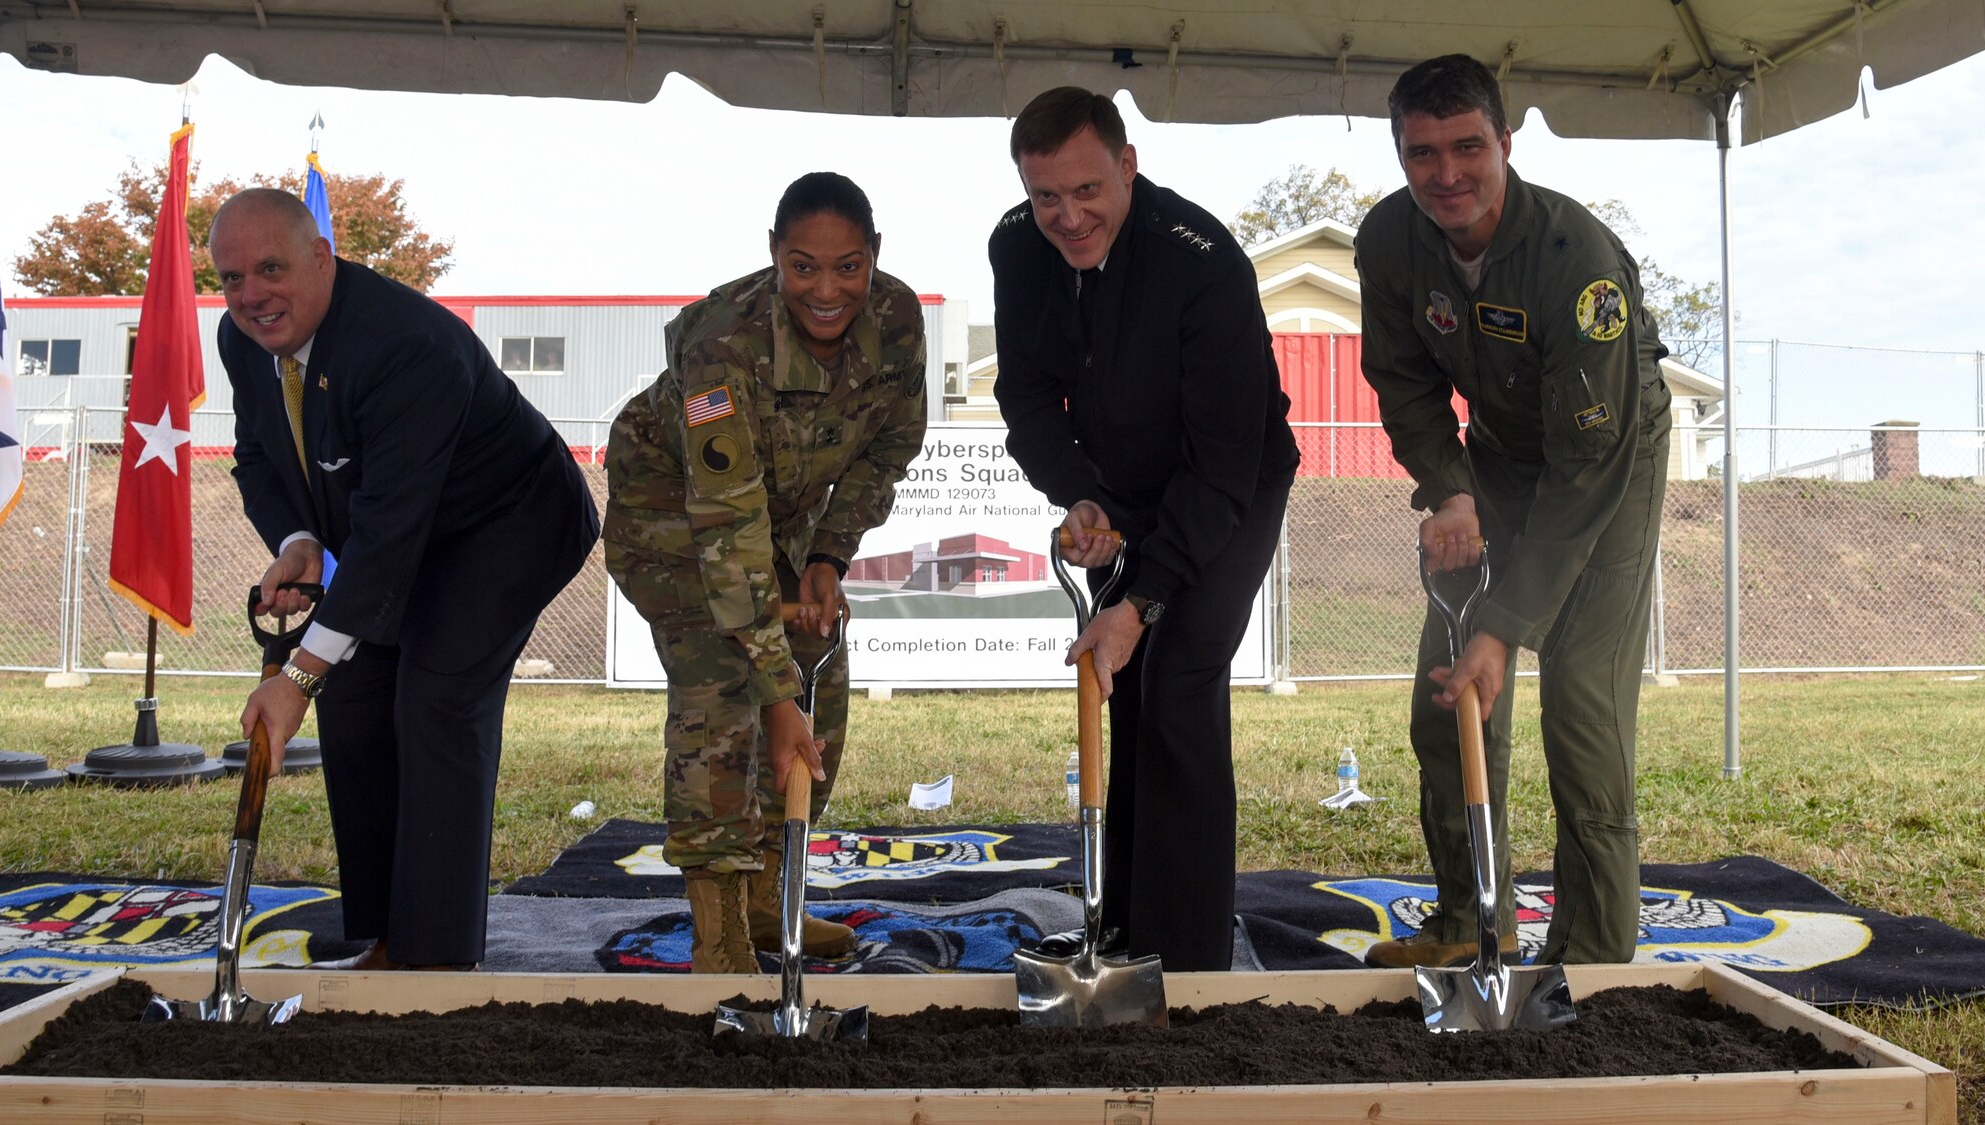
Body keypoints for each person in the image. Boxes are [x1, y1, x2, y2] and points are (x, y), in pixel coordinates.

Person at [212, 188, 599, 972]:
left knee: (436, 697)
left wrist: (296, 674)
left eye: (271, 268)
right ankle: (388, 938)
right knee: (354, 694)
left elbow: (388, 540)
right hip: (407, 526)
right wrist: (298, 540)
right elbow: (258, 458)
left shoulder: (403, 344)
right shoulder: (241, 339)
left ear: (322, 257)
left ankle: (436, 968)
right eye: (230, 277)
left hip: (508, 520)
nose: (250, 295)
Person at [1355, 54, 1672, 967]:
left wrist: (1506, 622)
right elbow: (1405, 384)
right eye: (1422, 154)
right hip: (1492, 451)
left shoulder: (1579, 263)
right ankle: (1469, 921)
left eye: (1467, 148)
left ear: (1506, 140)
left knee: (1579, 707)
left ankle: (1594, 956)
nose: (1446, 175)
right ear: (1400, 152)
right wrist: (1448, 489)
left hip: (1606, 462)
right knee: (1449, 688)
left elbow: (1583, 473)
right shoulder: (1388, 242)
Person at [990, 88, 1300, 972]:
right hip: (1122, 484)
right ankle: (1123, 923)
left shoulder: (1200, 262)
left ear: (1128, 166)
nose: (1067, 216)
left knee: (1179, 668)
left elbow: (1222, 465)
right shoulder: (1018, 247)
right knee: (1120, 680)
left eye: (1087, 190)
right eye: (1047, 196)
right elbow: (1026, 396)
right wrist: (1083, 498)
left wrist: (1143, 597)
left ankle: (1188, 955)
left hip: (1228, 482)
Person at [604, 172, 927, 974]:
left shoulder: (896, 320)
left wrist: (827, 557)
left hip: (780, 527)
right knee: (724, 686)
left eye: (848, 267)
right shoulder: (723, 343)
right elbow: (726, 520)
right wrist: (774, 695)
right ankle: (718, 938)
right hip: (674, 518)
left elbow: (889, 446)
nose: (827, 289)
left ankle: (768, 901)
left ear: (874, 257)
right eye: (802, 266)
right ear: (774, 256)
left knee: (821, 661)